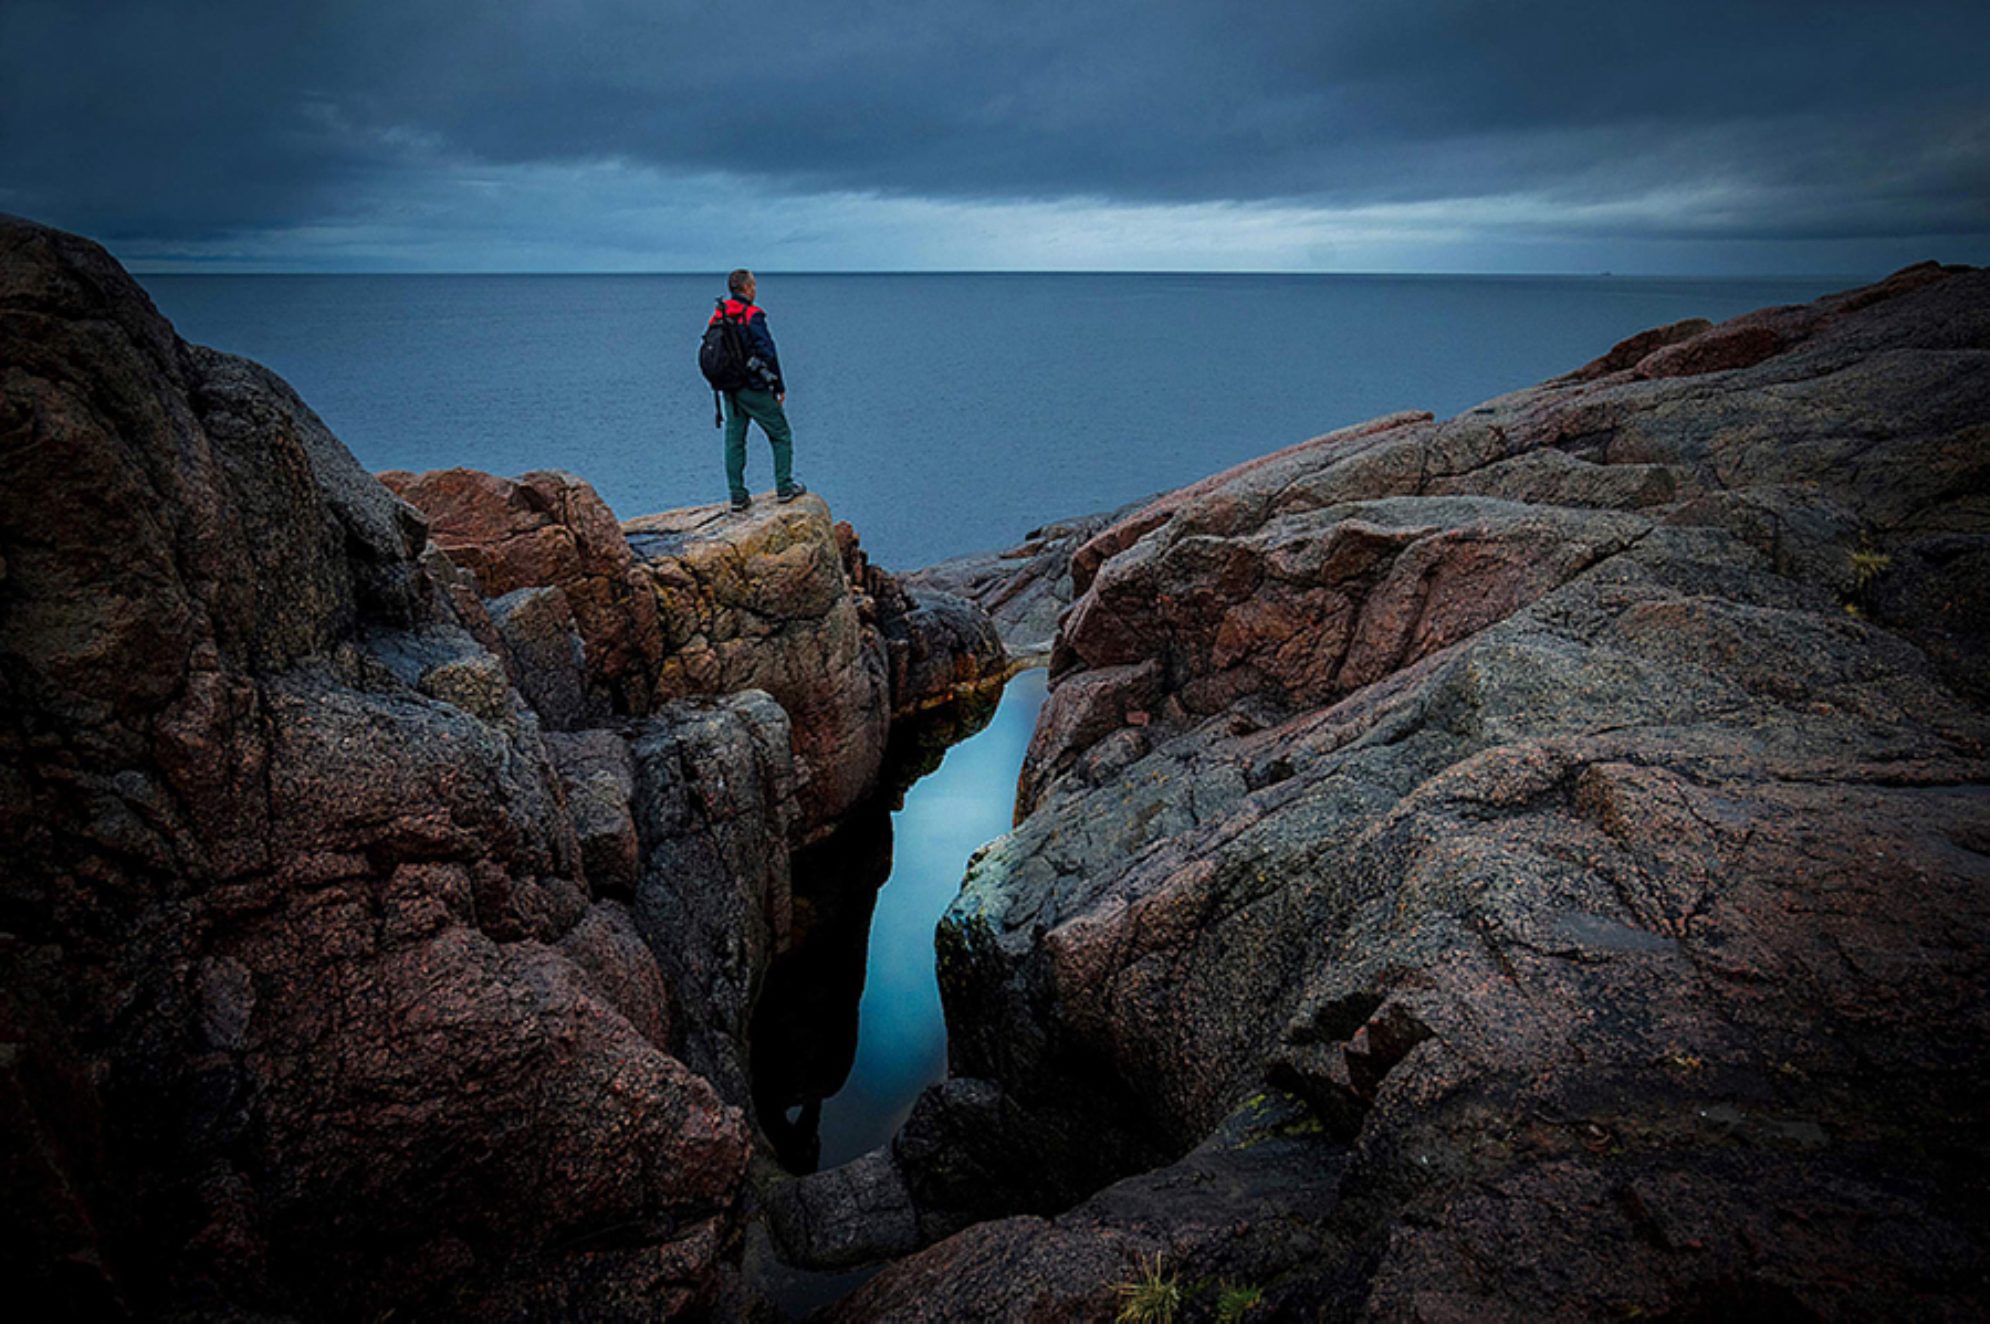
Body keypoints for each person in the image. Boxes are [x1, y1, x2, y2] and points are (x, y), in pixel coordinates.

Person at [710, 269, 806, 511]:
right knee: (780, 433)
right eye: (753, 285)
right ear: (746, 288)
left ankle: (737, 495)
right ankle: (784, 486)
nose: (755, 290)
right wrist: (778, 385)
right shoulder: (752, 315)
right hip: (753, 387)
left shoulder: (719, 315)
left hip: (729, 388)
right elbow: (768, 352)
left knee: (734, 441)